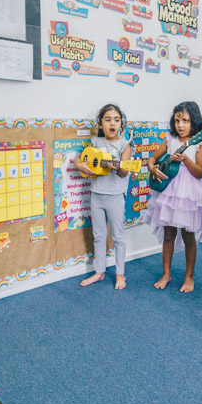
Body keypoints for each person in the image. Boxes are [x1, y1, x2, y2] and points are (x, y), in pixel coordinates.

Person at [143, 101, 202, 293]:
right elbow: (152, 158)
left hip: (188, 194)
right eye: (177, 120)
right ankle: (166, 274)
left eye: (186, 120)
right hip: (168, 191)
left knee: (188, 235)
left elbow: (199, 172)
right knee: (168, 234)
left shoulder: (199, 142)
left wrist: (185, 159)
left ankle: (189, 277)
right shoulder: (170, 139)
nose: (181, 125)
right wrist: (152, 168)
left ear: (194, 121)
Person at [75, 103, 133, 290]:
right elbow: (80, 158)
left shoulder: (124, 144)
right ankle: (99, 272)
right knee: (98, 236)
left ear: (121, 124)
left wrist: (117, 167)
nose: (112, 123)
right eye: (107, 120)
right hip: (97, 195)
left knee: (118, 237)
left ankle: (120, 274)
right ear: (100, 124)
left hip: (115, 196)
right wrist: (79, 164)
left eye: (116, 120)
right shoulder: (95, 142)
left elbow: (125, 172)